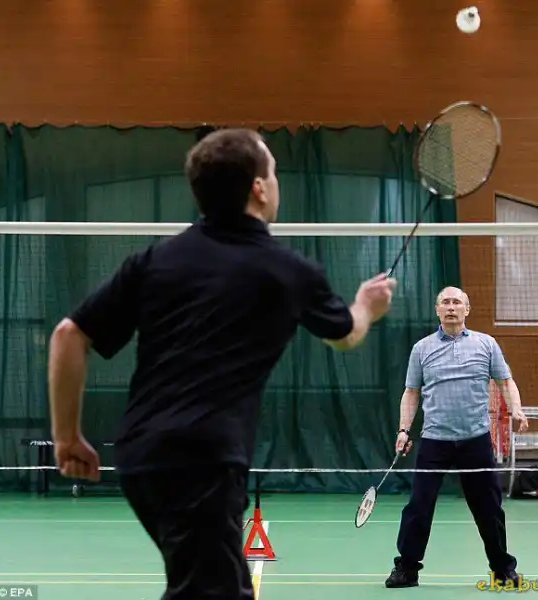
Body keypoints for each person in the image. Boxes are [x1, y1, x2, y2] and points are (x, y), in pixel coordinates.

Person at [47, 128, 398, 600]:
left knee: (210, 585)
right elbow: (346, 335)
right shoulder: (286, 270)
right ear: (259, 188)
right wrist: (367, 305)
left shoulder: (155, 260)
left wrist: (67, 438)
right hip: (202, 460)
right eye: (274, 172)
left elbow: (68, 336)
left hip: (139, 456)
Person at [385, 286, 528, 589]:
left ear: (467, 309)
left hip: (475, 440)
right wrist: (403, 430)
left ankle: (502, 569)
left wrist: (516, 409)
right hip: (434, 441)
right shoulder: (422, 348)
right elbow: (411, 392)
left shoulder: (486, 344)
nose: (451, 307)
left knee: (489, 508)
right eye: (446, 302)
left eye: (457, 302)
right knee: (419, 506)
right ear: (437, 310)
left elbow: (506, 381)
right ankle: (407, 569)